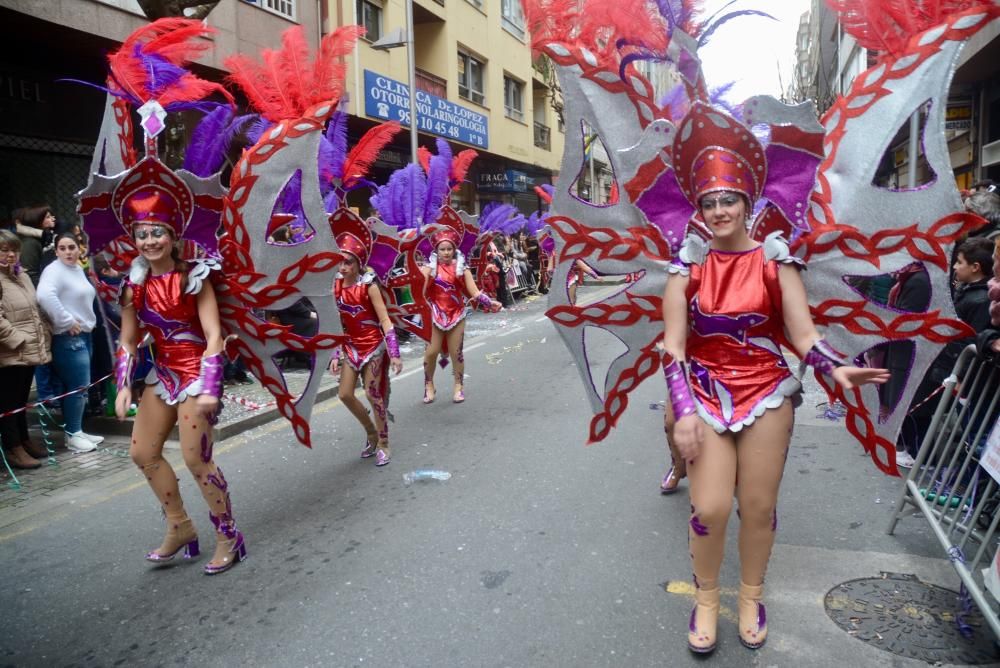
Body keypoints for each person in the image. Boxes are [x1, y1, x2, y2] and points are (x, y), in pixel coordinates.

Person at [662, 186, 888, 653]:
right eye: (709, 202)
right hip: (705, 395)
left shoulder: (776, 263)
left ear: (748, 205)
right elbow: (673, 348)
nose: (720, 210)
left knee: (759, 508)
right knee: (710, 508)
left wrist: (834, 367)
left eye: (729, 200)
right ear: (699, 211)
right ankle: (706, 600)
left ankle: (750, 598)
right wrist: (683, 411)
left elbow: (804, 336)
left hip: (766, 392)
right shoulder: (688, 267)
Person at [115, 194, 246, 575]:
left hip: (196, 375)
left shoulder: (194, 276)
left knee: (195, 458)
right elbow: (127, 339)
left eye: (157, 233)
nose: (150, 241)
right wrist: (124, 384)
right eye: (142, 234)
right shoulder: (132, 286)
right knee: (142, 453)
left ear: (173, 236)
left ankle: (228, 535)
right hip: (163, 374)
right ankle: (180, 526)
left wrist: (210, 386)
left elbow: (212, 333)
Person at [329, 214, 402, 466]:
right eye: (340, 262)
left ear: (358, 264)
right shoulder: (336, 286)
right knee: (345, 394)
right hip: (350, 347)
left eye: (348, 263)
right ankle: (371, 431)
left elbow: (384, 320)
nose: (343, 267)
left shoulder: (369, 286)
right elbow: (335, 323)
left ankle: (383, 442)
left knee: (373, 394)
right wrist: (335, 355)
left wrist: (394, 352)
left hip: (373, 346)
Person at [36, 232, 104, 452]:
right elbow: (44, 296)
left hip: (84, 335)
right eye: (63, 248)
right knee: (78, 387)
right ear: (56, 251)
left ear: (79, 248)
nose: (68, 252)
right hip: (69, 338)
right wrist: (66, 321)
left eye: (72, 247)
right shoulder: (53, 271)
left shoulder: (76, 270)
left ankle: (77, 430)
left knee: (81, 388)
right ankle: (73, 434)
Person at [420, 225, 501, 404]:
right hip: (435, 314)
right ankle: (429, 384)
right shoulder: (430, 268)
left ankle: (458, 385)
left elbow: (474, 292)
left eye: (449, 249)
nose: (446, 252)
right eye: (442, 249)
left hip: (456, 314)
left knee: (457, 353)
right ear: (436, 250)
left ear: (454, 250)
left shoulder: (461, 268)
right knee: (431, 352)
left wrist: (490, 302)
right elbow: (417, 288)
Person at [0, 230, 52, 469]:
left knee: (21, 399)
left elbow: (34, 310)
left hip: (29, 350)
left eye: (14, 250)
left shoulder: (23, 277)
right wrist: (18, 339)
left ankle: (24, 439)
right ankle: (13, 447)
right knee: (8, 402)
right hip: (10, 352)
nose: (10, 255)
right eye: (4, 250)